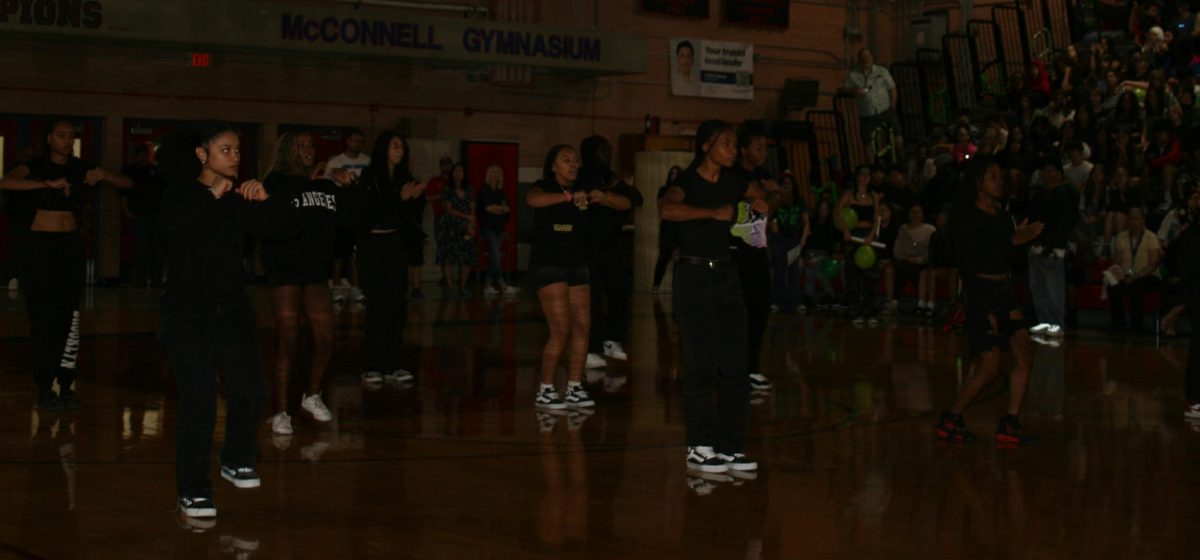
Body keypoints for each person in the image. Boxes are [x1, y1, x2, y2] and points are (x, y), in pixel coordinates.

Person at [155, 120, 300, 518]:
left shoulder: (240, 198)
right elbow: (173, 233)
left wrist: (267, 198)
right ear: (203, 154)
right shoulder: (180, 194)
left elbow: (284, 229)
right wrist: (211, 199)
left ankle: (236, 457)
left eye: (237, 150)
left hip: (231, 310)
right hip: (186, 313)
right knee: (199, 399)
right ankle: (193, 489)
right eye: (226, 150)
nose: (235, 157)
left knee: (252, 390)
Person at [0, 118, 132, 410]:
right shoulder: (36, 165)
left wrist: (104, 175)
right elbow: (5, 181)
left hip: (69, 247)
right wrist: (43, 183)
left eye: (71, 136)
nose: (67, 140)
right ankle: (45, 387)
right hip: (40, 249)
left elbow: (127, 182)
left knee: (70, 317)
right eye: (61, 135)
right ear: (49, 138)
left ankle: (67, 385)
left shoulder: (79, 166)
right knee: (43, 318)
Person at [660, 119, 769, 474]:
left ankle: (731, 447)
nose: (732, 149)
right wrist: (711, 213)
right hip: (693, 276)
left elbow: (759, 195)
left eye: (735, 144)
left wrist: (762, 206)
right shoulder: (686, 182)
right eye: (726, 143)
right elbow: (667, 208)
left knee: (736, 365)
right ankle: (699, 445)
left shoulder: (734, 182)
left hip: (726, 274)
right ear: (706, 146)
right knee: (701, 362)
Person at [936, 157, 1044, 445]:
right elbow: (973, 258)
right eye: (993, 176)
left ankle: (1010, 421)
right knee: (989, 368)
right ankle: (952, 416)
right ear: (978, 183)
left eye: (1000, 176)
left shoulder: (1000, 214)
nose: (999, 181)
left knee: (1024, 352)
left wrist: (1019, 241)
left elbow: (1008, 257)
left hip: (1004, 291)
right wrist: (1012, 241)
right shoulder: (966, 216)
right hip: (982, 294)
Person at [260, 131, 354, 436]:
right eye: (302, 145)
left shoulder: (321, 184)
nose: (309, 149)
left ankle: (311, 395)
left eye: (312, 145)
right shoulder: (276, 180)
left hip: (313, 268)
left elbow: (339, 214)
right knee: (288, 341)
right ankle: (281, 411)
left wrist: (333, 182)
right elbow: (285, 204)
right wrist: (322, 180)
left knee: (326, 339)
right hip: (284, 267)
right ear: (289, 150)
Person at [526, 144, 597, 411]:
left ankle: (574, 387)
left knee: (582, 327)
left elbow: (626, 201)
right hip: (549, 265)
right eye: (566, 160)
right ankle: (545, 389)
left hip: (576, 264)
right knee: (561, 330)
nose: (573, 164)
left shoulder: (584, 191)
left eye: (575, 160)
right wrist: (568, 198)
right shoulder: (543, 186)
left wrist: (602, 195)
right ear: (553, 166)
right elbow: (533, 200)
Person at [354, 132, 426, 386]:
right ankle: (372, 366)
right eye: (395, 146)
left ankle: (393, 364)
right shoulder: (370, 176)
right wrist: (400, 198)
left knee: (398, 305)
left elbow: (407, 214)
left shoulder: (405, 178)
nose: (400, 150)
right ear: (384, 148)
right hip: (372, 244)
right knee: (377, 306)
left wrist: (415, 199)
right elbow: (370, 210)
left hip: (395, 244)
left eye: (402, 146)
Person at [578, 135, 639, 369]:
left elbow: (634, 199)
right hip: (587, 245)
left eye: (609, 150)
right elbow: (584, 201)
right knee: (591, 298)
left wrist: (609, 196)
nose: (607, 155)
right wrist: (608, 196)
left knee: (619, 290)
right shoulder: (581, 176)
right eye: (602, 150)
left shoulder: (612, 176)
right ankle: (590, 347)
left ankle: (612, 340)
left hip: (612, 242)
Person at [729, 130, 780, 391]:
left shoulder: (764, 176)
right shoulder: (735, 175)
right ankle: (732, 367)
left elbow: (776, 202)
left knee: (759, 308)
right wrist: (769, 194)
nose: (763, 152)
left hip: (757, 249)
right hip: (736, 250)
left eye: (765, 148)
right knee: (736, 311)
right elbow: (759, 203)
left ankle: (751, 367)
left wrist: (772, 194)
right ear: (743, 150)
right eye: (758, 147)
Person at [1027, 156, 1074, 338]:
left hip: (1053, 250)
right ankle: (1044, 322)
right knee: (1038, 288)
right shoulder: (1038, 194)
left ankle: (1057, 324)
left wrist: (1051, 247)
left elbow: (1061, 224)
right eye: (1045, 170)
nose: (1048, 174)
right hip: (1035, 247)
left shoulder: (1062, 195)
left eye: (1051, 170)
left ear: (1059, 174)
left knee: (1054, 289)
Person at [325, 129, 370, 304]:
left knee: (355, 255)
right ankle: (337, 288)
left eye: (360, 141)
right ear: (347, 141)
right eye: (354, 140)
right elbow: (327, 187)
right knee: (338, 254)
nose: (357, 144)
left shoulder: (367, 162)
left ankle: (356, 287)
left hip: (359, 215)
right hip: (340, 214)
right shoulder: (336, 162)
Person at [836, 165, 883, 326]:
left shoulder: (874, 195)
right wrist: (845, 230)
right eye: (862, 174)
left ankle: (870, 312)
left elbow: (877, 218)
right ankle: (855, 310)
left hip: (869, 237)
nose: (865, 177)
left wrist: (871, 236)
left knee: (871, 276)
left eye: (868, 175)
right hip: (853, 237)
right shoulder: (849, 194)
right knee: (853, 277)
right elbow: (838, 212)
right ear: (857, 177)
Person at [840, 48, 904, 161]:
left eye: (867, 57)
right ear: (858, 60)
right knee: (867, 142)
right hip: (867, 113)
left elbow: (892, 88)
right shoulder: (853, 75)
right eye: (863, 58)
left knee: (897, 134)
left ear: (872, 58)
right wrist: (855, 91)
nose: (866, 60)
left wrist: (893, 105)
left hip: (885, 109)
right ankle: (872, 166)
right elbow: (843, 89)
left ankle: (900, 157)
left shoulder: (882, 71)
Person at [1107, 207, 1163, 331]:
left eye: (1137, 219)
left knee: (1136, 288)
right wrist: (1115, 272)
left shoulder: (1151, 237)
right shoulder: (1121, 237)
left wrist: (1134, 277)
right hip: (1126, 275)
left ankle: (1136, 325)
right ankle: (1118, 322)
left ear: (1143, 220)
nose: (1134, 222)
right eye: (1131, 219)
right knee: (1113, 287)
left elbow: (1153, 264)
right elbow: (1116, 261)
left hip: (1147, 276)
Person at [121, 145, 166, 287]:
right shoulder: (129, 171)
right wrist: (126, 210)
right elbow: (123, 194)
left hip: (156, 215)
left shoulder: (154, 170)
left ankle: (156, 279)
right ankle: (140, 280)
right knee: (140, 250)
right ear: (135, 156)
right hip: (139, 215)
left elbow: (163, 191)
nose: (143, 158)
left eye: (145, 155)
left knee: (157, 249)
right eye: (140, 155)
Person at [436, 162, 478, 297]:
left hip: (465, 227)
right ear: (452, 173)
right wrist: (466, 216)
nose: (458, 173)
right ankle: (450, 286)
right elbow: (448, 209)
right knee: (448, 257)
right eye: (456, 170)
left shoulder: (468, 188)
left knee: (467, 257)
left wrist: (471, 220)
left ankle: (462, 286)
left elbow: (472, 205)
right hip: (450, 226)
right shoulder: (447, 189)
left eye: (461, 170)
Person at [477, 164, 518, 296]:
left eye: (499, 173)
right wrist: (500, 208)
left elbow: (507, 210)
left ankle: (487, 285)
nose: (496, 175)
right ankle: (503, 285)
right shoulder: (484, 189)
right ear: (489, 175)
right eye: (494, 172)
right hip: (487, 227)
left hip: (499, 228)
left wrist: (498, 208)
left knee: (494, 257)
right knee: (495, 255)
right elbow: (487, 208)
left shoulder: (501, 192)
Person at [769, 172, 807, 313]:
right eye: (784, 184)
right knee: (779, 271)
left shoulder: (799, 201)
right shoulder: (776, 200)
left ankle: (796, 302)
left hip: (794, 240)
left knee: (794, 272)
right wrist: (772, 224)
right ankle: (776, 301)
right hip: (779, 239)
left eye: (789, 184)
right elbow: (769, 215)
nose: (786, 186)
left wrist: (803, 239)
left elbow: (806, 222)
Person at [893, 203, 937, 315]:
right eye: (912, 212)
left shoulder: (930, 229)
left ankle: (921, 302)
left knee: (916, 270)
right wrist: (906, 258)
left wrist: (918, 259)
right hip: (906, 261)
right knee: (902, 266)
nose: (915, 215)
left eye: (918, 212)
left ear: (922, 214)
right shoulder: (903, 229)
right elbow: (898, 249)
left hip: (923, 262)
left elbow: (931, 251)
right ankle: (895, 301)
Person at [651, 165, 683, 294]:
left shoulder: (684, 190)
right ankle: (656, 285)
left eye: (677, 174)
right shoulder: (663, 190)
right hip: (667, 225)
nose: (675, 176)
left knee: (679, 257)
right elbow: (661, 209)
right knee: (663, 256)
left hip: (680, 225)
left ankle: (677, 287)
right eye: (673, 173)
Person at [426, 156, 454, 292]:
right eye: (443, 164)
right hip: (440, 217)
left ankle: (453, 277)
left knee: (454, 245)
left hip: (455, 218)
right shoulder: (434, 181)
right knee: (442, 246)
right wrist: (440, 197)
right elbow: (427, 198)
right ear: (440, 166)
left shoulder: (456, 181)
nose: (446, 167)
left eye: (448, 164)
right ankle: (445, 276)